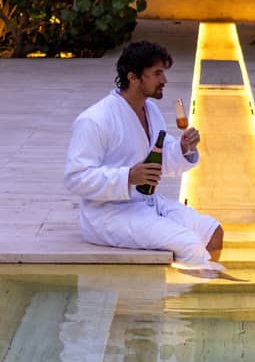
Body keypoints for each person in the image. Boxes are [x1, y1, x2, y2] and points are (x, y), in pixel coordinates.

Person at [64, 40, 224, 271]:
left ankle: (204, 289)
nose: (164, 80)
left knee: (212, 233)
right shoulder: (95, 120)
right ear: (133, 77)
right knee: (190, 245)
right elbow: (75, 178)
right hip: (109, 212)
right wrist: (127, 176)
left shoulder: (150, 110)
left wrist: (183, 148)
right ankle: (195, 301)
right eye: (157, 73)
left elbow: (162, 159)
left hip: (147, 203)